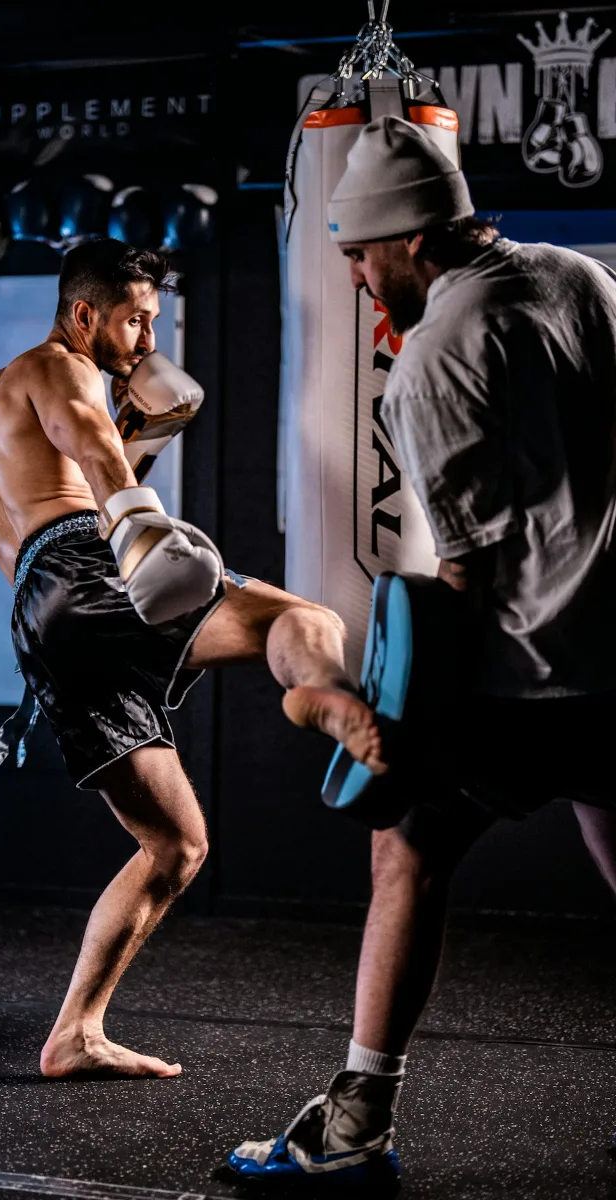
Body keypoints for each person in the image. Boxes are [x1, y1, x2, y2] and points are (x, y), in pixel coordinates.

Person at [228, 116, 616, 1190]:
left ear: (406, 237)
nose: (351, 275)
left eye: (356, 252)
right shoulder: (577, 278)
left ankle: (353, 1127)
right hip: (615, 653)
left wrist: (393, 716)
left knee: (402, 853)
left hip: (529, 670)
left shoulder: (434, 359)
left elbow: (467, 575)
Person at [0, 236, 385, 1080]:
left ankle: (73, 1033)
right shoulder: (61, 369)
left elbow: (86, 456)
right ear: (85, 314)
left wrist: (143, 437)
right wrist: (141, 524)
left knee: (177, 847)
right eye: (136, 320)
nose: (148, 340)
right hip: (88, 568)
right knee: (299, 617)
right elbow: (89, 444)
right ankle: (328, 695)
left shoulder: (4, 397)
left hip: (41, 621)